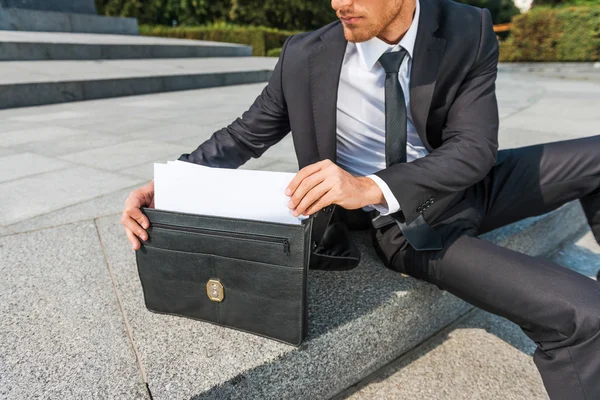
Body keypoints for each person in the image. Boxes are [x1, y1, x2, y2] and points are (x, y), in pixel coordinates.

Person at [121, 0, 600, 397]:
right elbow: (244, 135)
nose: (338, 3)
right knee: (584, 314)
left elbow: (474, 148)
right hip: (407, 226)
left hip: (469, 180)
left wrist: (369, 184)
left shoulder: (467, 28)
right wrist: (173, 182)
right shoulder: (305, 55)